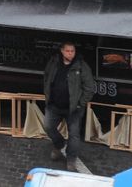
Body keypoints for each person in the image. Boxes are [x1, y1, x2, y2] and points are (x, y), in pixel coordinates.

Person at [42, 41, 96, 171]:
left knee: (74, 135)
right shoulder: (54, 62)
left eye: (72, 51)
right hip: (54, 106)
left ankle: (71, 159)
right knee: (48, 126)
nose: (70, 54)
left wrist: (80, 104)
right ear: (62, 51)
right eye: (68, 51)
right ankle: (59, 144)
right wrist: (48, 95)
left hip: (73, 109)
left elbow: (90, 87)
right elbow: (46, 77)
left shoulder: (81, 66)